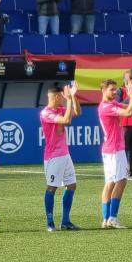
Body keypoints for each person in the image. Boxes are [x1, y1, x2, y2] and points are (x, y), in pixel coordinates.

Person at [40, 83, 82, 232]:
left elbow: (77, 112)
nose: (64, 100)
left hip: (65, 154)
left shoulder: (60, 108)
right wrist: (69, 99)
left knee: (71, 185)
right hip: (53, 157)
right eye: (62, 98)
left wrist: (73, 97)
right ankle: (50, 222)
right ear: (57, 97)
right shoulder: (46, 113)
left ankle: (65, 221)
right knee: (52, 187)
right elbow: (66, 120)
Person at [99, 78, 132, 229]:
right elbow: (129, 113)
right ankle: (112, 218)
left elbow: (131, 109)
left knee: (110, 183)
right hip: (115, 149)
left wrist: (131, 96)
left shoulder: (110, 104)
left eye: (115, 89)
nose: (115, 92)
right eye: (111, 89)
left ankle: (106, 218)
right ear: (103, 91)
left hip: (110, 149)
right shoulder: (107, 107)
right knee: (121, 181)